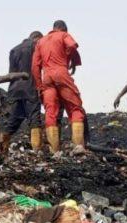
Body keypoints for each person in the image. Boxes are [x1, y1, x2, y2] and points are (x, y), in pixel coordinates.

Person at [32, 20, 86, 154]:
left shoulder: (41, 41)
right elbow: (73, 46)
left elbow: (35, 66)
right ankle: (78, 146)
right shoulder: (63, 35)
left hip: (47, 78)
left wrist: (39, 85)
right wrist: (70, 58)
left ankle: (54, 150)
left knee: (50, 112)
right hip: (61, 73)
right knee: (75, 107)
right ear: (63, 29)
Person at [1, 31, 44, 153]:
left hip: (15, 90)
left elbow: (11, 73)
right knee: (35, 119)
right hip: (30, 87)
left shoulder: (14, 50)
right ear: (37, 38)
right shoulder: (36, 46)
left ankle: (2, 149)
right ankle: (36, 151)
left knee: (12, 121)